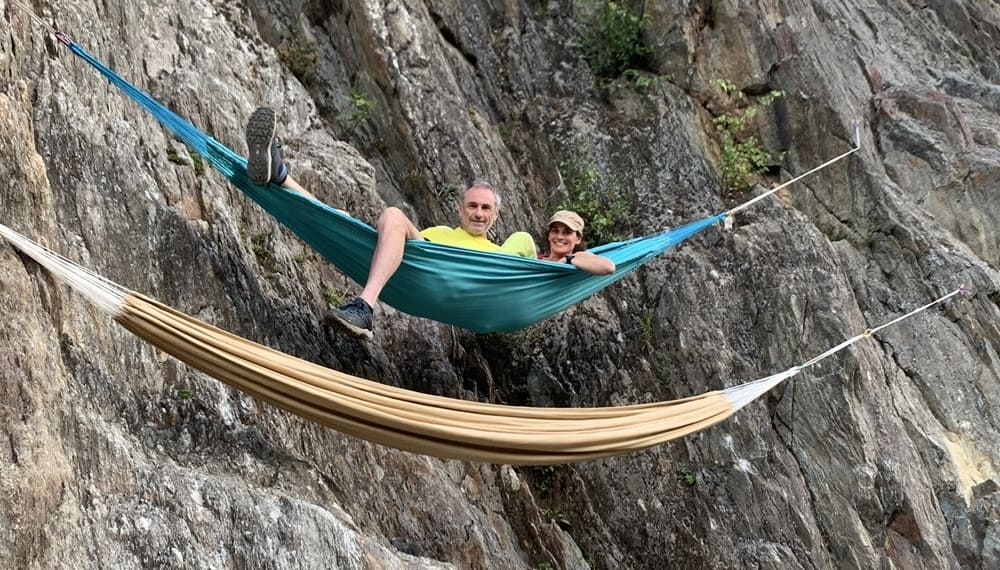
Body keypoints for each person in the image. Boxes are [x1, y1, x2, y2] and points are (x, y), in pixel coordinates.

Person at [245, 107, 536, 340]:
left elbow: (529, 258)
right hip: (424, 274)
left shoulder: (503, 256)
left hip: (467, 288)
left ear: (494, 216)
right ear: (460, 210)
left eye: (486, 208)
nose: (478, 213)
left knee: (393, 215)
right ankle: (281, 176)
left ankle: (364, 306)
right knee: (343, 221)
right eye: (472, 206)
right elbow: (400, 249)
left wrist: (560, 269)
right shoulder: (440, 233)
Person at [537, 210, 615, 275]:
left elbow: (609, 267)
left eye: (567, 232)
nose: (559, 237)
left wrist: (567, 260)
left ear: (578, 239)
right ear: (549, 236)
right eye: (555, 231)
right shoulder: (536, 260)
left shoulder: (579, 257)